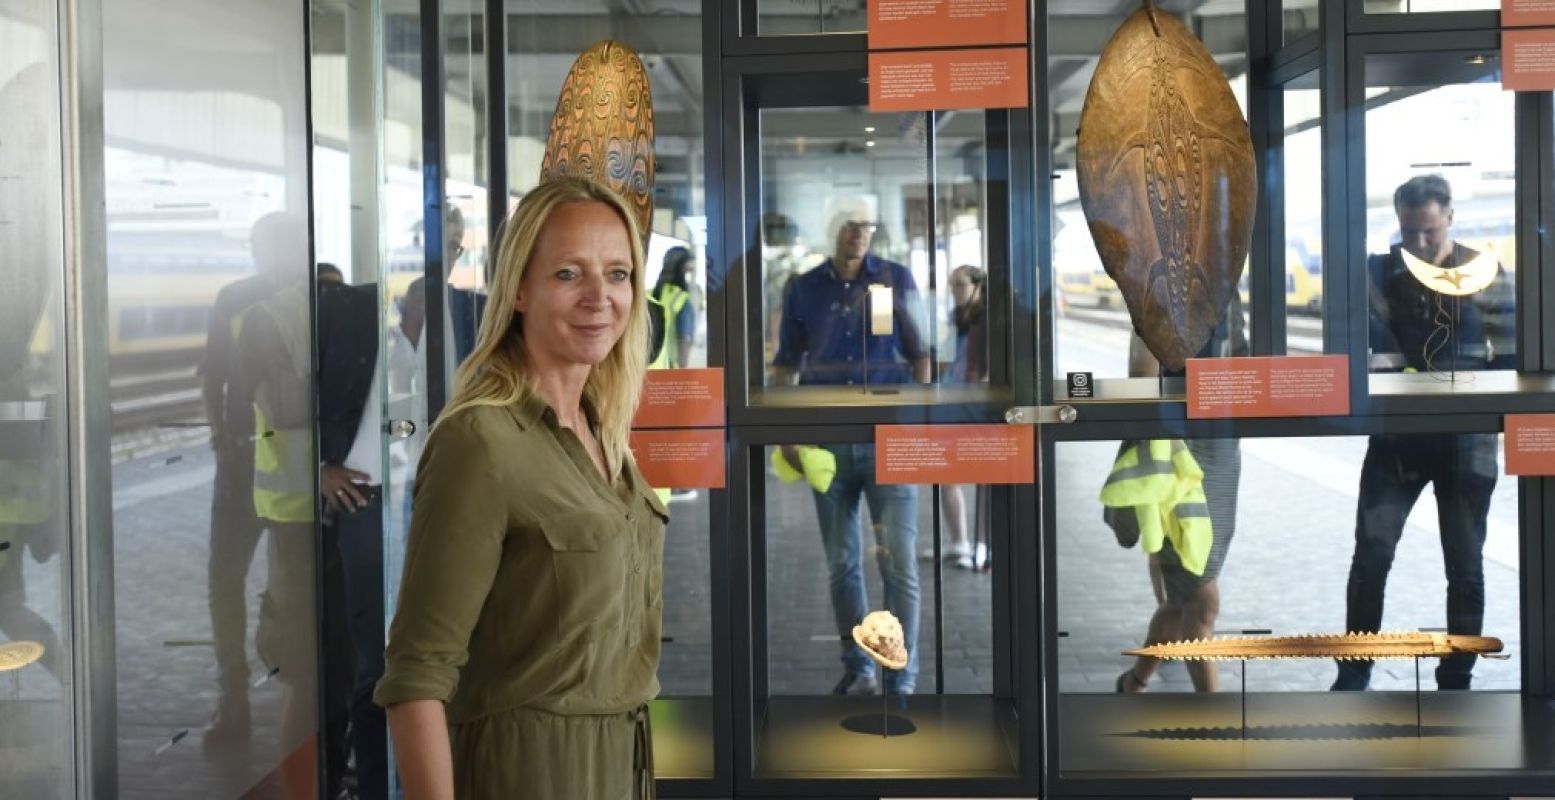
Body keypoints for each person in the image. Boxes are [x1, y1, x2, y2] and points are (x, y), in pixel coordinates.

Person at [375, 177, 667, 799]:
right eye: (568, 274)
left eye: (618, 274)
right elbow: (416, 677)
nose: (600, 297)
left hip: (621, 769)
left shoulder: (600, 430)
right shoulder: (478, 443)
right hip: (530, 776)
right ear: (518, 289)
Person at [1333, 175, 1513, 692]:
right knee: (1372, 555)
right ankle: (1355, 672)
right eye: (1409, 232)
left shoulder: (1486, 271)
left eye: (1429, 232)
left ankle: (1456, 678)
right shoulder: (1379, 271)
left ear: (1450, 218)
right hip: (1398, 439)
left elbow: (1515, 352)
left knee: (1465, 564)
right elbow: (1356, 342)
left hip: (1466, 441)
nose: (1419, 244)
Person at [770, 205, 930, 696]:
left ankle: (900, 677)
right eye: (850, 226)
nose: (859, 235)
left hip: (889, 438)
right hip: (828, 441)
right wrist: (787, 431)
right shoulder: (804, 286)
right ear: (832, 230)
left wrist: (919, 424)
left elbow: (922, 354)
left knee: (899, 564)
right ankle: (859, 668)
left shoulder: (895, 279)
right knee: (843, 563)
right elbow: (785, 366)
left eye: (868, 227)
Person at [1115, 296, 1245, 694]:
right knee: (1202, 600)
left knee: (1180, 600)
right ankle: (1215, 714)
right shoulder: (1157, 290)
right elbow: (1140, 376)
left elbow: (1242, 356)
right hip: (1172, 448)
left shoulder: (1226, 289)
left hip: (1220, 450)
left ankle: (1135, 681)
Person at [199, 226, 284, 745]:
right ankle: (245, 692)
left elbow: (211, 375)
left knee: (227, 577)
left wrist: (220, 437)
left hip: (250, 458)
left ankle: (237, 697)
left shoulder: (237, 299)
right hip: (278, 463)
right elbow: (212, 374)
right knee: (266, 577)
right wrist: (219, 436)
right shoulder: (304, 295)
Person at [316, 277, 389, 798]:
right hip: (366, 499)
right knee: (373, 657)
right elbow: (292, 391)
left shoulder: (468, 310)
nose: (446, 252)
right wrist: (319, 466)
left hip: (445, 496)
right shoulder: (352, 310)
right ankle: (372, 778)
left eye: (455, 244)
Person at [924, 265, 988, 570]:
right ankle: (960, 542)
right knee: (946, 475)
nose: (955, 292)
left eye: (960, 285)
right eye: (952, 286)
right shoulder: (956, 318)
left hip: (976, 407)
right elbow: (949, 359)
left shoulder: (988, 321)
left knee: (986, 478)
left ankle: (983, 545)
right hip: (952, 402)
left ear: (977, 286)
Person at [648, 246, 696, 369]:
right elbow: (684, 339)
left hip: (645, 370)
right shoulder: (682, 299)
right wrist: (683, 372)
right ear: (682, 268)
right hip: (669, 371)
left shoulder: (647, 294)